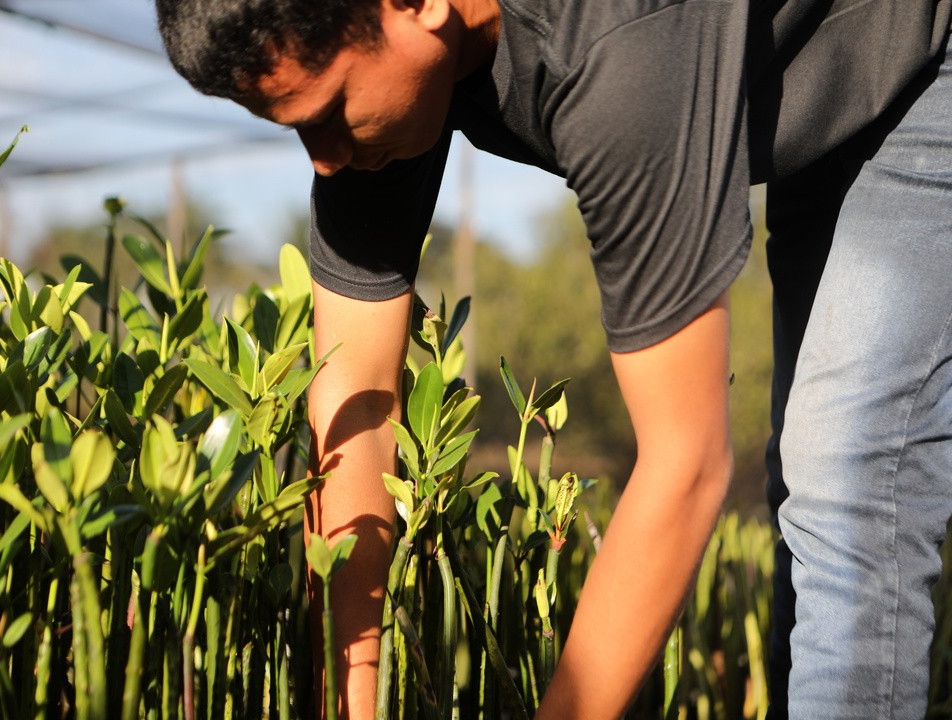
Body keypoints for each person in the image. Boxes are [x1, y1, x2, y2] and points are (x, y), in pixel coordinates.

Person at [155, 0, 952, 717]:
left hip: (912, 57)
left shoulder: (616, 43)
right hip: (770, 76)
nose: (322, 160)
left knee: (846, 470)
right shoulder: (383, 71)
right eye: (296, 128)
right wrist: (355, 699)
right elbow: (353, 395)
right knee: (802, 492)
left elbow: (688, 461)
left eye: (327, 113)